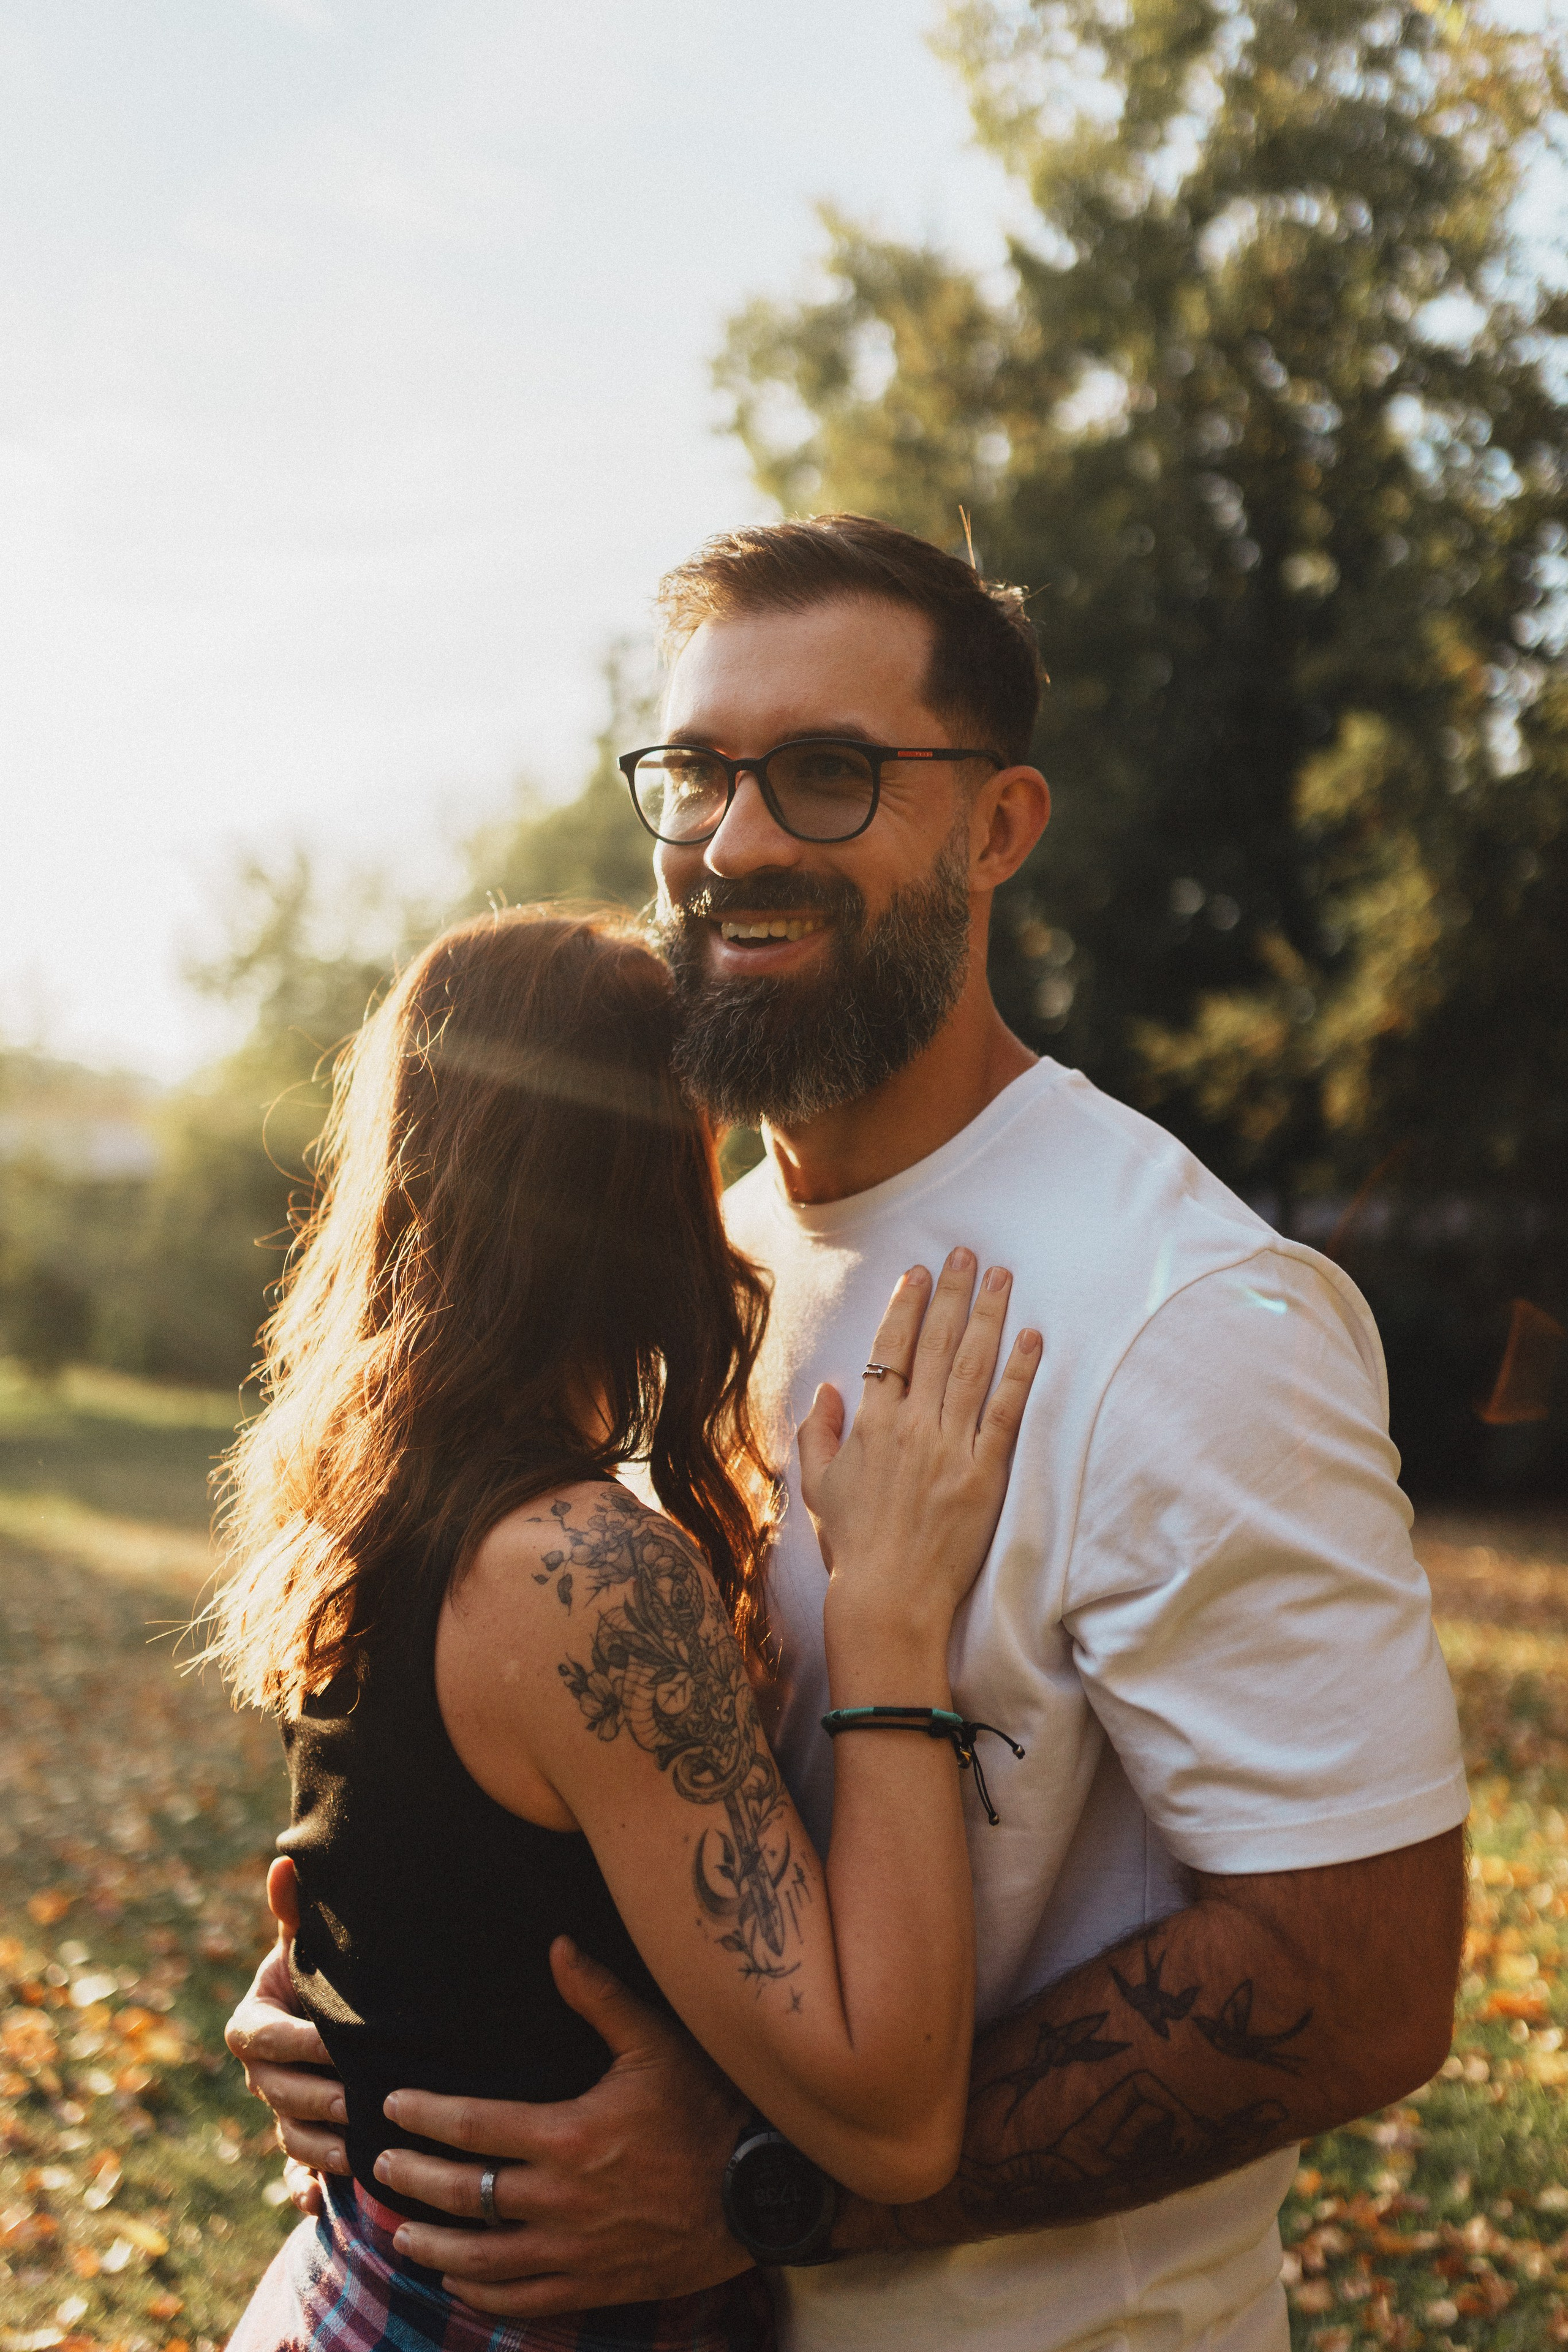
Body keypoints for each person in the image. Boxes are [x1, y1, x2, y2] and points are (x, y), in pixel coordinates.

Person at [230, 514, 1469, 2352]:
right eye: (696, 777)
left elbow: (1357, 1985)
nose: (734, 842)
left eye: (826, 776)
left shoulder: (1183, 1317)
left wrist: (751, 2192)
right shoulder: (685, 1267)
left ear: (997, 827)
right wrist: (396, 1995)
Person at [212, 905, 1042, 2352]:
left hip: (357, 2292)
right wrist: (892, 1615)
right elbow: (894, 2122)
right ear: (643, 1182)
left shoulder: (382, 1496)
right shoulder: (582, 1573)